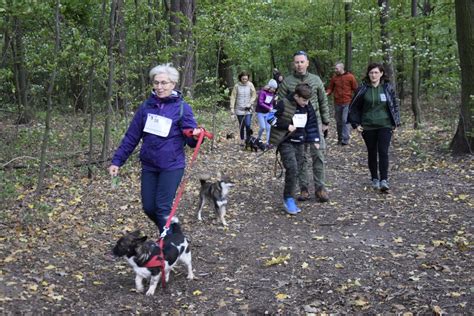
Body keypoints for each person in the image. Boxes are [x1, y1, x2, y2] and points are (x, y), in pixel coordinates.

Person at [108, 63, 202, 234]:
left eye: (164, 83)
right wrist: (117, 161)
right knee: (149, 207)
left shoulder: (182, 108)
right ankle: (172, 231)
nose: (159, 87)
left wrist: (195, 136)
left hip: (171, 165)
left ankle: (167, 241)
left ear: (173, 84)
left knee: (162, 207)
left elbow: (191, 140)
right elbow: (132, 137)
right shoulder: (146, 107)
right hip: (150, 165)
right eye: (156, 82)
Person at [278, 51, 330, 203]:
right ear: (293, 64)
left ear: (307, 63)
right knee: (300, 157)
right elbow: (280, 104)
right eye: (296, 62)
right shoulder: (287, 82)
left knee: (318, 155)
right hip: (296, 125)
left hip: (315, 123)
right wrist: (285, 126)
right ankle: (304, 188)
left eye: (302, 62)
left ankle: (320, 188)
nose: (299, 65)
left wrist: (325, 122)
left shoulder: (315, 80)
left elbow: (323, 101)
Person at [268, 83, 320, 214]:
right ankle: (288, 199)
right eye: (303, 100)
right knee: (292, 168)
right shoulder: (283, 103)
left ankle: (290, 196)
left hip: (300, 143)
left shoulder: (307, 106)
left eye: (308, 100)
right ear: (296, 96)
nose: (306, 103)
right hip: (285, 141)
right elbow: (270, 118)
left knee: (297, 170)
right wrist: (286, 126)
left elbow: (312, 123)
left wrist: (315, 139)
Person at [347, 62, 400, 192]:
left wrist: (396, 123)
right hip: (368, 126)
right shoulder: (363, 89)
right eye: (371, 73)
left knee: (383, 152)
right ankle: (374, 178)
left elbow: (394, 106)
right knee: (372, 152)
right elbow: (353, 108)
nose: (373, 75)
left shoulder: (387, 88)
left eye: (376, 72)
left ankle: (384, 180)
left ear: (381, 74)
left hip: (385, 125)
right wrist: (356, 124)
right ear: (368, 74)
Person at [326, 62, 358, 146]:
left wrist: (357, 100)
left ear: (341, 68)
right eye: (335, 68)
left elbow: (355, 89)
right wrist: (326, 93)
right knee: (339, 121)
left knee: (345, 120)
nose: (335, 70)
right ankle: (340, 138)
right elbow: (330, 88)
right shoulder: (334, 78)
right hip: (337, 103)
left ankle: (345, 140)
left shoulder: (350, 77)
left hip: (347, 102)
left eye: (336, 68)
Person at [230, 71, 257, 146]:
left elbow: (254, 95)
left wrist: (250, 103)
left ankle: (248, 139)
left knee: (248, 124)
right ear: (240, 78)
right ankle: (242, 139)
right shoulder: (236, 86)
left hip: (248, 109)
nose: (245, 80)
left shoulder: (250, 85)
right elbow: (233, 97)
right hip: (239, 109)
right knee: (241, 125)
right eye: (243, 79)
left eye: (246, 79)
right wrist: (232, 108)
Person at [256, 79, 278, 145]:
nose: (274, 90)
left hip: (267, 113)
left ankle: (268, 143)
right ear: (269, 87)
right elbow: (260, 103)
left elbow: (271, 103)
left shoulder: (272, 94)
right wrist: (269, 108)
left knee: (269, 128)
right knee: (263, 127)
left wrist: (272, 107)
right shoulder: (262, 92)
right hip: (260, 112)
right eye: (273, 88)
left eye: (275, 89)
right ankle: (258, 138)